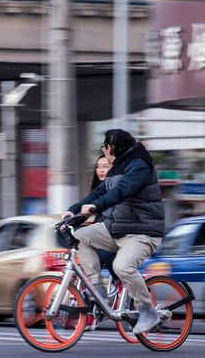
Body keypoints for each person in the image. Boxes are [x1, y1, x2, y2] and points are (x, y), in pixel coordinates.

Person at [61, 129, 164, 335]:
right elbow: (100, 191)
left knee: (122, 266)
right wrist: (73, 209)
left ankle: (147, 311)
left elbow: (121, 191)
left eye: (104, 147)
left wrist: (94, 207)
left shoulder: (139, 165)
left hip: (143, 232)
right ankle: (98, 291)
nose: (104, 151)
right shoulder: (118, 167)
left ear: (111, 147)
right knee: (79, 235)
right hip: (117, 230)